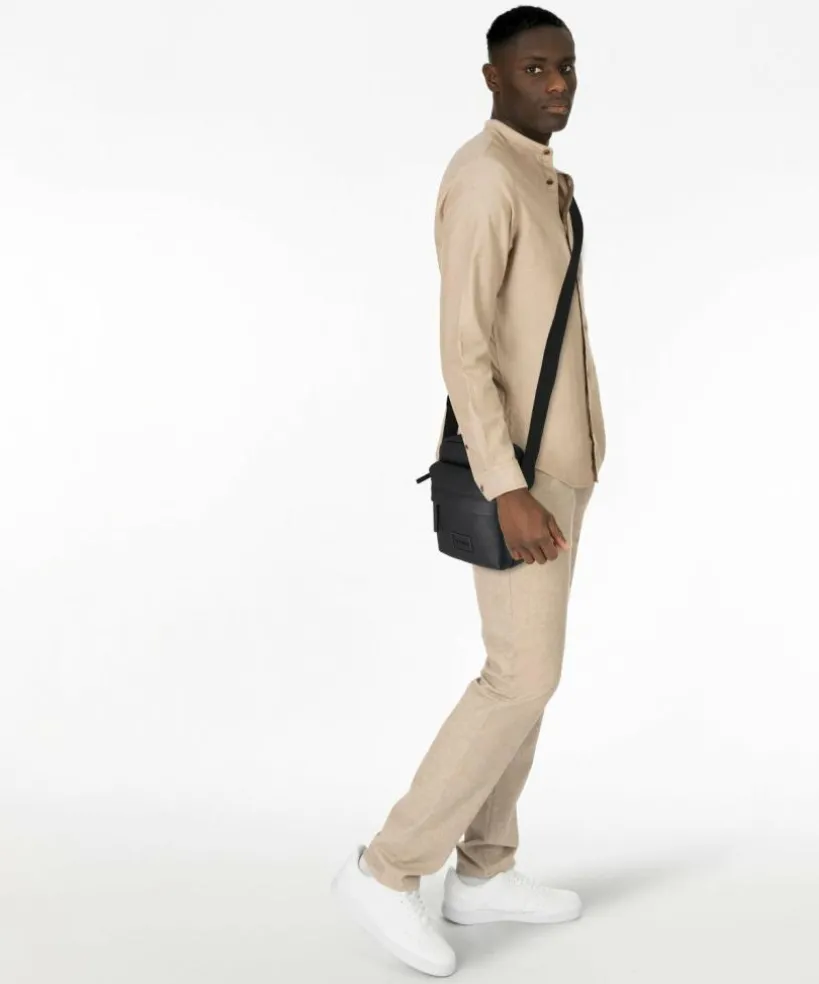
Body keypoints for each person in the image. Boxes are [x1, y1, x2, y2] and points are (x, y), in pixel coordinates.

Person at [331, 6, 606, 977]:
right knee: (518, 676)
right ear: (492, 77)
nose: (557, 85)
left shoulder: (541, 175)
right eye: (535, 69)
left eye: (567, 67)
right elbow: (464, 349)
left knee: (533, 672)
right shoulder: (486, 177)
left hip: (562, 467)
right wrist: (507, 485)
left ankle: (485, 871)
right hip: (521, 475)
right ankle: (387, 868)